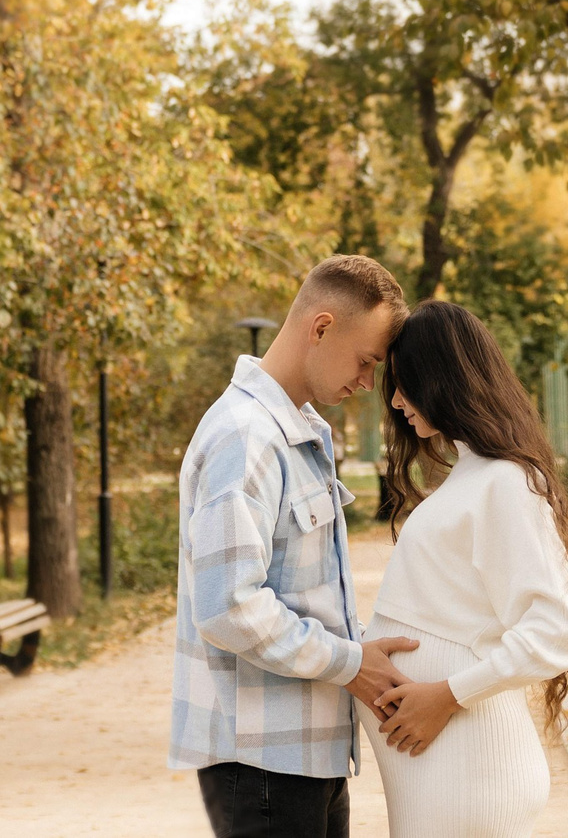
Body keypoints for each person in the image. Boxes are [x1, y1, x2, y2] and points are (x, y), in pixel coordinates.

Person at [172, 254, 420, 838]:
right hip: (261, 763)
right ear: (322, 327)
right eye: (366, 361)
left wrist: (359, 651)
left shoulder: (298, 432)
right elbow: (228, 606)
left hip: (304, 757)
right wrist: (350, 664)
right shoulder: (245, 437)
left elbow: (299, 594)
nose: (367, 383)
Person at [363, 301, 568, 838]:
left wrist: (445, 695)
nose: (395, 401)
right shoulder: (473, 476)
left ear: (442, 380)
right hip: (447, 773)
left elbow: (564, 631)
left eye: (404, 383)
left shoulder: (504, 482)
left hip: (469, 769)